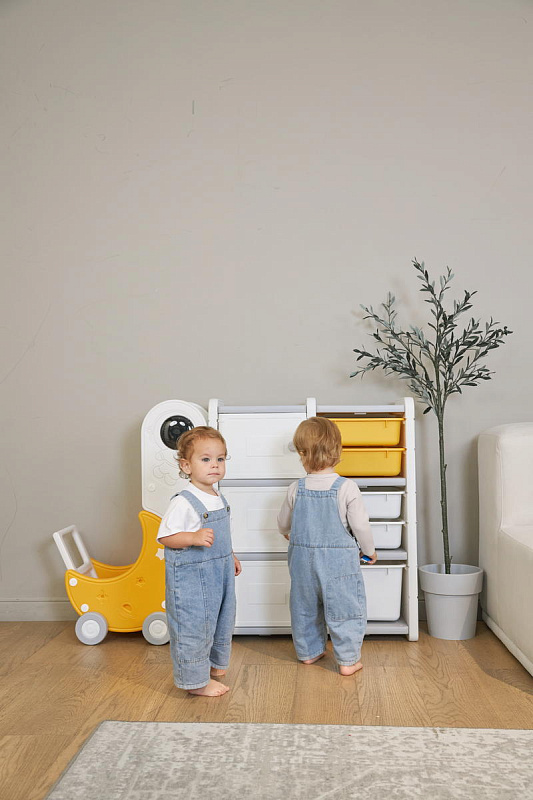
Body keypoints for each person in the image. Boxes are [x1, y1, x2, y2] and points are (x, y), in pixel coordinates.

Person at [278, 417, 377, 675]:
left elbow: (283, 523)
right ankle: (348, 660)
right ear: (337, 450)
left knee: (304, 607)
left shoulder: (295, 488)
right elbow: (361, 526)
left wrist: (288, 533)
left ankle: (309, 652)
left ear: (302, 454)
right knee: (345, 608)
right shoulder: (347, 487)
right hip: (338, 564)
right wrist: (369, 551)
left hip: (302, 563)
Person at [157, 426, 241, 697]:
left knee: (222, 618)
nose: (215, 465)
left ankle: (214, 664)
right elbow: (166, 537)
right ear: (186, 466)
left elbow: (221, 536)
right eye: (206, 459)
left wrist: (230, 554)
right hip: (193, 579)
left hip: (220, 571)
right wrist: (193, 537)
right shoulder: (184, 502)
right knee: (194, 625)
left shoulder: (217, 496)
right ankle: (195, 681)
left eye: (220, 459)